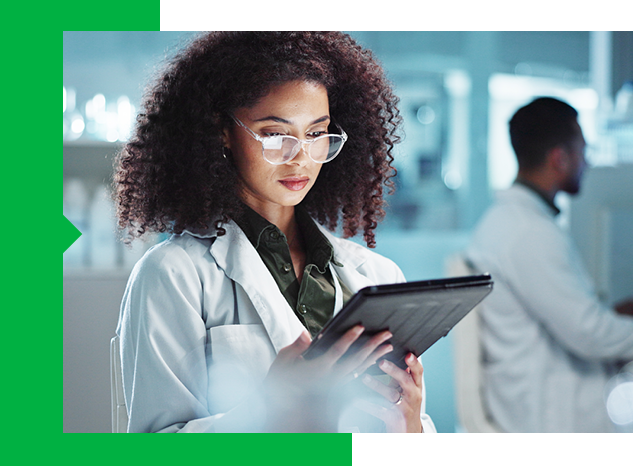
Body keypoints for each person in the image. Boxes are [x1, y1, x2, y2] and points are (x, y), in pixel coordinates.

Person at [113, 31, 435, 433]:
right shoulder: (173, 275)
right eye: (274, 134)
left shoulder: (379, 276)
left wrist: (412, 427)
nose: (300, 157)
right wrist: (271, 406)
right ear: (223, 132)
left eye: (316, 134)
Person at [466, 97, 633, 432]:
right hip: (551, 418)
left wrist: (614, 318)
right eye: (582, 152)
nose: (587, 164)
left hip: (542, 399)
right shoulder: (527, 232)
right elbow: (591, 336)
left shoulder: (517, 222)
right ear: (559, 158)